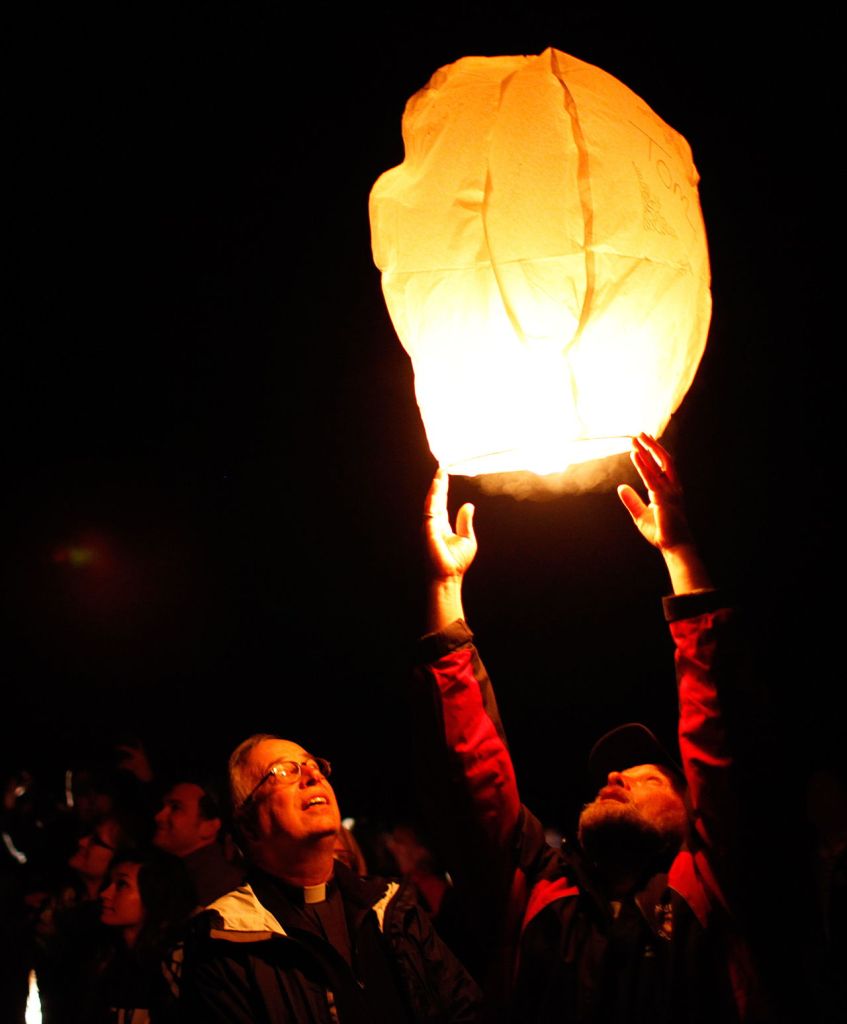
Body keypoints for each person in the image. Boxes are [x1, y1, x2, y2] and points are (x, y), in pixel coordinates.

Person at [411, 433, 804, 1024]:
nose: (613, 775)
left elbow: (721, 737)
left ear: (690, 816)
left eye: (644, 776)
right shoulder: (537, 895)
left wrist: (680, 551)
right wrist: (445, 589)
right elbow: (477, 773)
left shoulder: (715, 886)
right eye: (612, 776)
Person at [176, 732, 482, 1022]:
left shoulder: (393, 910)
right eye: (283, 771)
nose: (312, 776)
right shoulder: (224, 940)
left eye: (313, 765)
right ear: (249, 826)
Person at [153, 776, 245, 908]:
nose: (159, 817)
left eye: (175, 808)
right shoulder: (173, 874)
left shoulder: (220, 887)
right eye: (163, 806)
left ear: (209, 827)